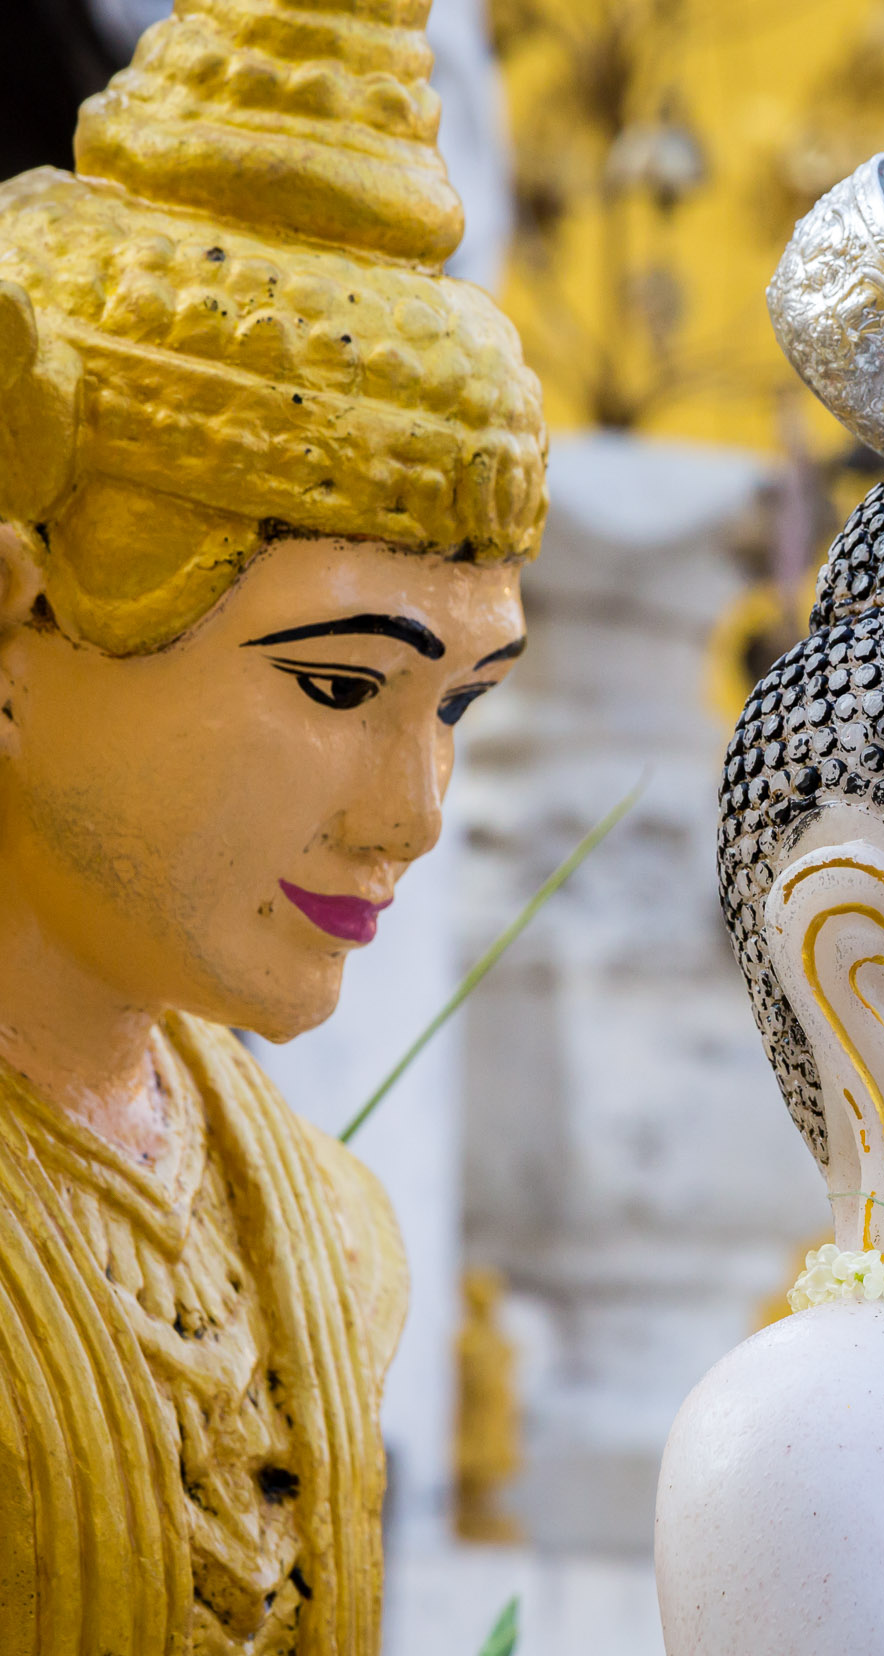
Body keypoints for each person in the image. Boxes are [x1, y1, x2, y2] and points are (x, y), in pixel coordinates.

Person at [0, 0, 546, 1646]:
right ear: (15, 626)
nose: (412, 816)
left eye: (456, 705)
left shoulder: (330, 1232)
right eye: (336, 689)